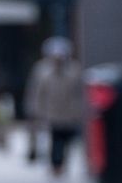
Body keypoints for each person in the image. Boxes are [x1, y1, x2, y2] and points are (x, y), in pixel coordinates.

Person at [25, 36, 88, 175]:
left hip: (70, 112)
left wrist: (80, 109)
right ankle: (56, 165)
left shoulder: (74, 70)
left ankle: (62, 163)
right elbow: (36, 92)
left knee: (67, 139)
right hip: (51, 111)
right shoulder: (42, 70)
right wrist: (35, 109)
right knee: (56, 139)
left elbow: (79, 92)